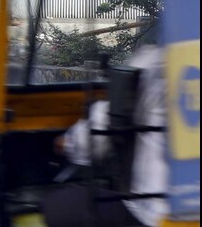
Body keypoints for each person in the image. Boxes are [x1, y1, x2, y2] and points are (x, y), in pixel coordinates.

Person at [38, 42, 165, 227]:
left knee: (56, 204)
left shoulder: (155, 61)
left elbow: (101, 129)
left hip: (155, 214)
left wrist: (68, 142)